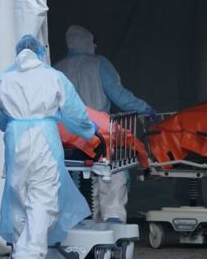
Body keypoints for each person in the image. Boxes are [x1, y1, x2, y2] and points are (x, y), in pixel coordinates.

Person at [0, 34, 97, 259]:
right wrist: (89, 130)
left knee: (19, 197)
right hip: (44, 141)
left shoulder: (3, 80)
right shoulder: (54, 78)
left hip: (15, 139)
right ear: (41, 54)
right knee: (42, 198)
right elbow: (74, 112)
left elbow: (0, 118)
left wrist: (17, 123)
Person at [55, 25, 155, 224]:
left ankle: (76, 220)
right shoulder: (99, 64)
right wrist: (145, 108)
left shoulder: (57, 69)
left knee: (73, 175)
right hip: (100, 132)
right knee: (112, 171)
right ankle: (112, 220)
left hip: (67, 137)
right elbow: (120, 96)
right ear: (90, 42)